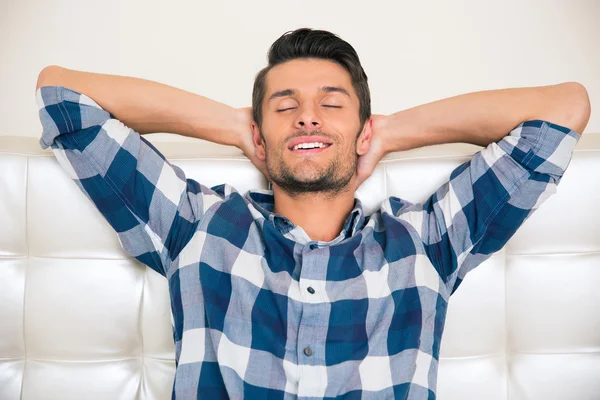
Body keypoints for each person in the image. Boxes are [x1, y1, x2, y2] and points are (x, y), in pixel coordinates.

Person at [35, 28, 589, 399]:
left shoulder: (426, 242)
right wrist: (233, 125)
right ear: (260, 130)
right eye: (285, 107)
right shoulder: (197, 226)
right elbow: (61, 93)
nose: (307, 119)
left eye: (331, 104)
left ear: (363, 129)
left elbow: (563, 108)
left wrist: (391, 132)